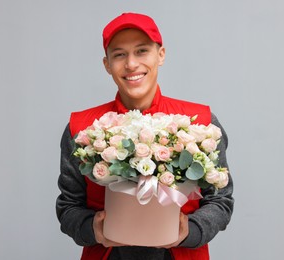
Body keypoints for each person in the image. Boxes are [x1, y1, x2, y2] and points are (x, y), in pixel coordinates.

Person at [56, 13, 234, 260]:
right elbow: (68, 207)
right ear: (107, 64)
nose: (131, 64)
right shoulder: (82, 128)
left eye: (141, 51)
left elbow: (221, 201)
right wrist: (93, 228)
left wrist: (189, 231)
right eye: (119, 54)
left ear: (160, 55)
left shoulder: (200, 124)